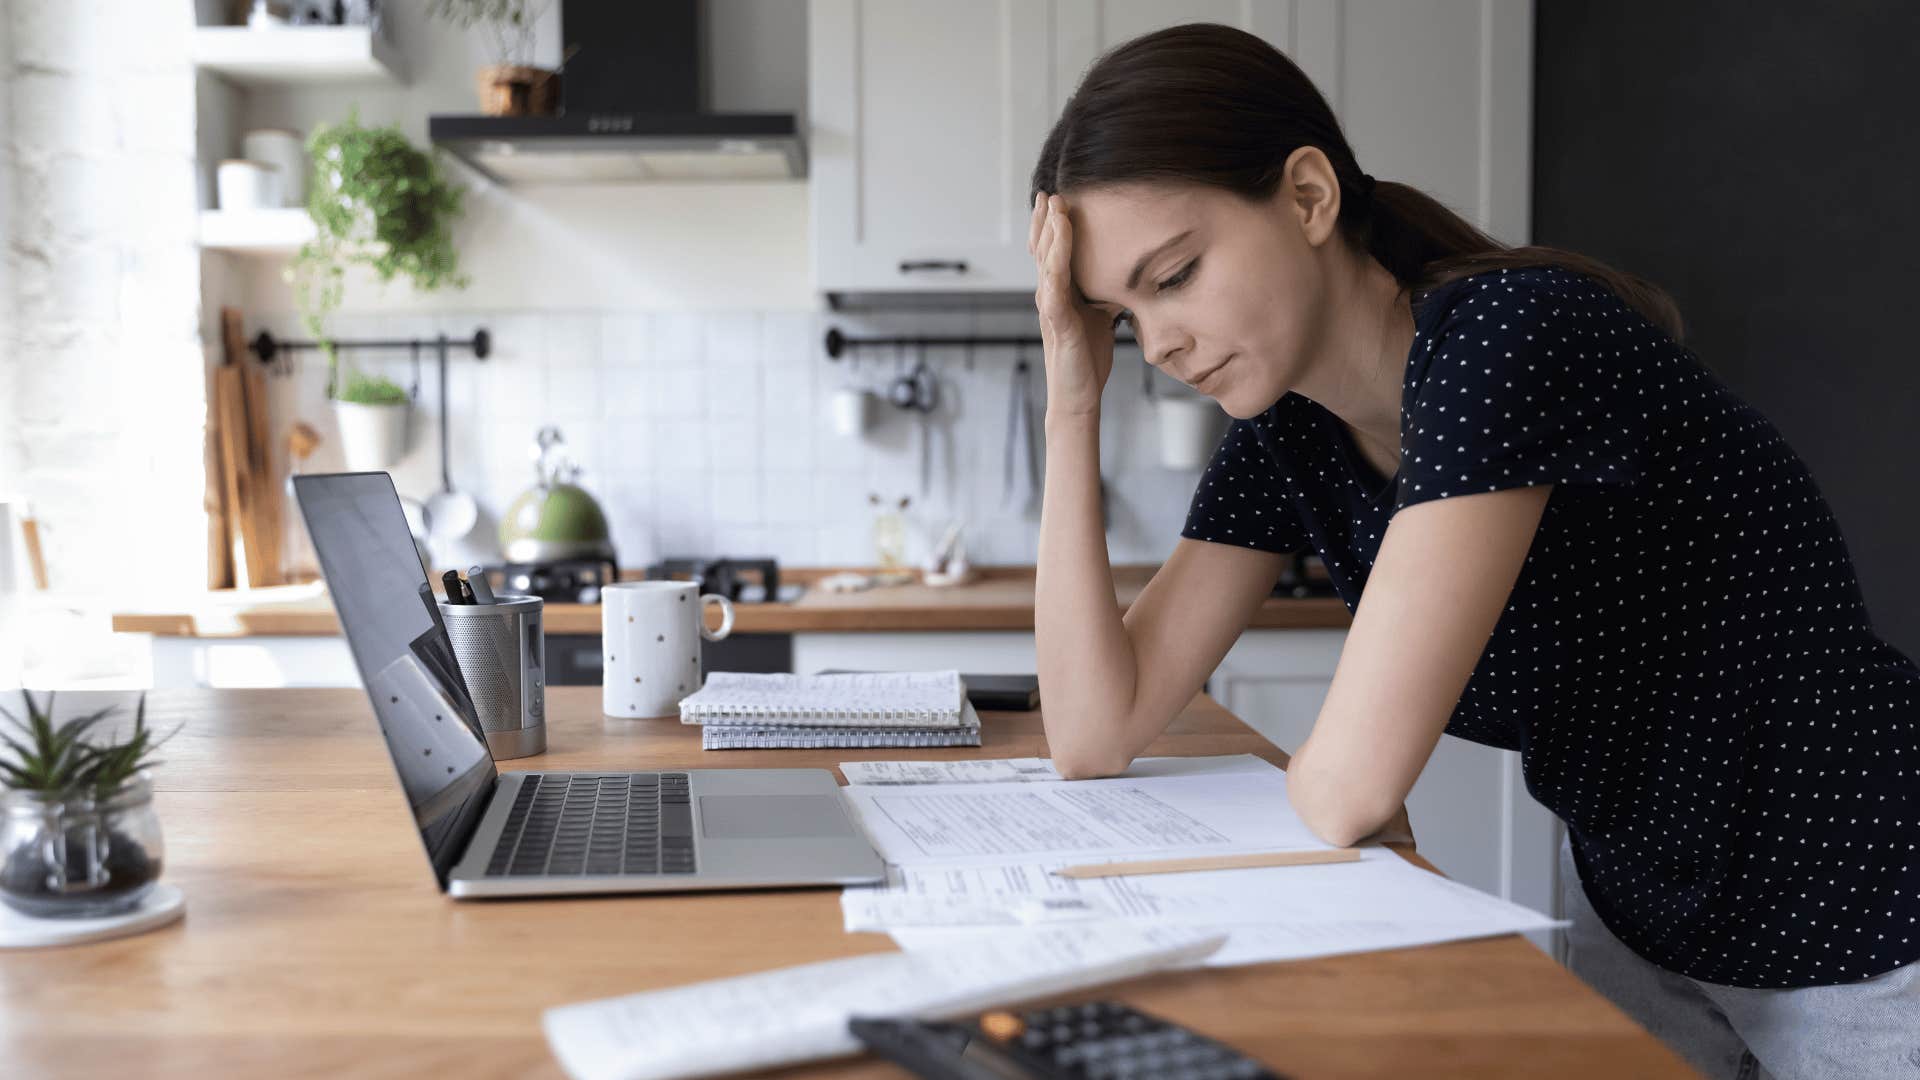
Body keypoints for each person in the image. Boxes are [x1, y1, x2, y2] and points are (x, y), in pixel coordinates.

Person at [1025, 22, 1920, 1080]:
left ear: (1309, 197)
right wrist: (1071, 398)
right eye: (1117, 313)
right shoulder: (1289, 430)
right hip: (1640, 908)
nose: (1158, 342)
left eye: (1171, 275)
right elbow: (1091, 732)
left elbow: (1349, 789)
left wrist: (1339, 774)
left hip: (1857, 899)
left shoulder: (1508, 338)